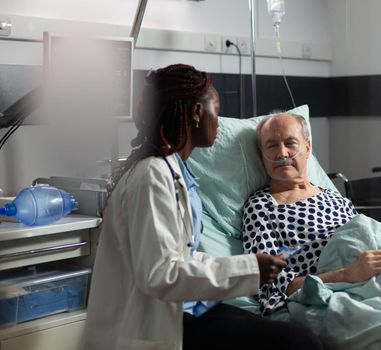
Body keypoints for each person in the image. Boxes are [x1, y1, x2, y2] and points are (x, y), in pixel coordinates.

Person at [84, 65, 323, 350]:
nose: (218, 122)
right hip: (152, 323)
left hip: (187, 308)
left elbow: (182, 257)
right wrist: (249, 270)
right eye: (216, 111)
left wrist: (249, 269)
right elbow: (161, 274)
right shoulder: (152, 176)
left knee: (296, 335)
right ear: (197, 113)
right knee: (299, 342)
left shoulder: (175, 173)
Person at [242, 112, 381, 315]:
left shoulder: (335, 198)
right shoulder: (261, 207)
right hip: (353, 285)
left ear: (307, 147)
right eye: (272, 145)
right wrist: (347, 274)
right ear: (262, 154)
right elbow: (270, 285)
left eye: (290, 143)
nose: (282, 154)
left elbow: (363, 238)